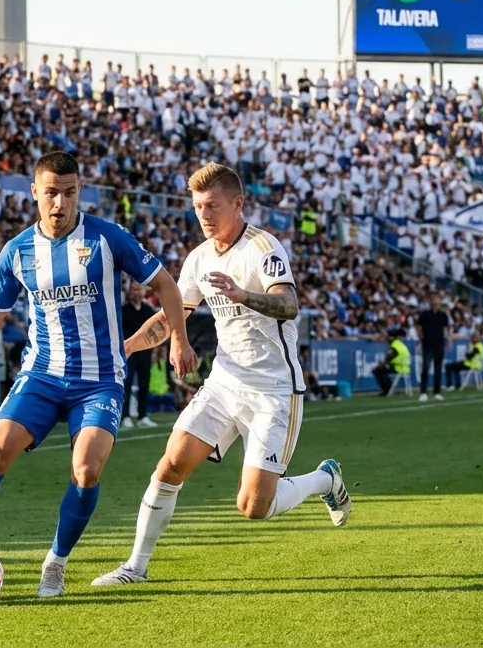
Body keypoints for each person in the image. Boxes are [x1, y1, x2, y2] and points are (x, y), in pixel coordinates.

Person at [0, 151, 196, 598]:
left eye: (70, 192)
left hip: (99, 379)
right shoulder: (17, 251)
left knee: (87, 467)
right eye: (52, 193)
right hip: (41, 374)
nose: (60, 202)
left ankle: (55, 564)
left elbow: (164, 284)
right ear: (35, 192)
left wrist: (178, 339)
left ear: (79, 191)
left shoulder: (107, 238)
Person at [91, 162, 349, 588]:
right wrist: (131, 346)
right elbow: (172, 315)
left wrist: (241, 294)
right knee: (171, 463)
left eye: (212, 205)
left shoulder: (263, 249)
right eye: (197, 207)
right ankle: (135, 566)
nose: (204, 215)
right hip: (224, 383)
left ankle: (326, 478)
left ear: (238, 203)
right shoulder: (199, 258)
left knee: (254, 506)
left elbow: (289, 305)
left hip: (273, 390)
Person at [120, 282, 157, 429]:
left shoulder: (148, 310)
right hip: (129, 353)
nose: (136, 292)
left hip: (145, 353)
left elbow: (155, 332)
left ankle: (143, 416)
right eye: (134, 290)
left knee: (144, 384)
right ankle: (126, 417)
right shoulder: (123, 310)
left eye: (139, 289)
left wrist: (155, 351)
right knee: (127, 384)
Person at [417, 293, 450, 402]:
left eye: (437, 300)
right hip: (427, 344)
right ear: (430, 302)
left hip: (439, 344)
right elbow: (419, 327)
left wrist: (448, 340)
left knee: (438, 369)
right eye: (434, 300)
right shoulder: (424, 314)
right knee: (425, 368)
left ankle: (437, 391)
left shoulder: (443, 315)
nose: (436, 303)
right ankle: (423, 391)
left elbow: (445, 329)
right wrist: (420, 337)